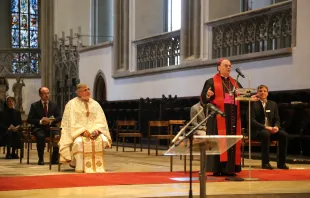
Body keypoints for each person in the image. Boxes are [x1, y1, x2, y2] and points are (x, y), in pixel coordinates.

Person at [200, 58, 249, 176]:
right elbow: (203, 100)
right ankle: (217, 168)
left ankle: (230, 168)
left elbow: (243, 97)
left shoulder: (235, 83)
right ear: (219, 67)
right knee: (218, 143)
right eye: (226, 65)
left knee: (231, 143)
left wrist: (249, 96)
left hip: (232, 118)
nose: (229, 68)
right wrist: (207, 95)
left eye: (230, 66)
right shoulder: (211, 81)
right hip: (217, 117)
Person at [59, 84, 111, 173]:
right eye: (85, 90)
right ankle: (80, 167)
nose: (88, 92)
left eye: (88, 89)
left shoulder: (95, 104)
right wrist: (82, 132)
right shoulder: (71, 104)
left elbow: (101, 120)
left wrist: (97, 130)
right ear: (79, 93)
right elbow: (71, 122)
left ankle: (98, 166)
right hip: (78, 133)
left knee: (102, 139)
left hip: (95, 132)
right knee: (79, 142)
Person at [250, 85, 289, 169]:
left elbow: (277, 119)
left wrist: (276, 127)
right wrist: (265, 127)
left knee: (284, 135)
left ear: (267, 93)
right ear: (257, 93)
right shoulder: (252, 103)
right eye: (260, 91)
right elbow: (251, 120)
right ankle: (265, 163)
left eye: (265, 91)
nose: (262, 92)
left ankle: (281, 163)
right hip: (258, 131)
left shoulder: (273, 104)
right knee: (265, 134)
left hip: (271, 130)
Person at [27, 87, 62, 165]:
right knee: (41, 136)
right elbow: (30, 119)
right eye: (44, 93)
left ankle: (54, 158)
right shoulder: (34, 106)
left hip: (51, 127)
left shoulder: (54, 105)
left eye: (48, 93)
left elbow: (59, 117)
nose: (47, 95)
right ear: (40, 95)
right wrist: (40, 121)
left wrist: (50, 121)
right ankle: (41, 159)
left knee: (58, 135)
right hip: (39, 128)